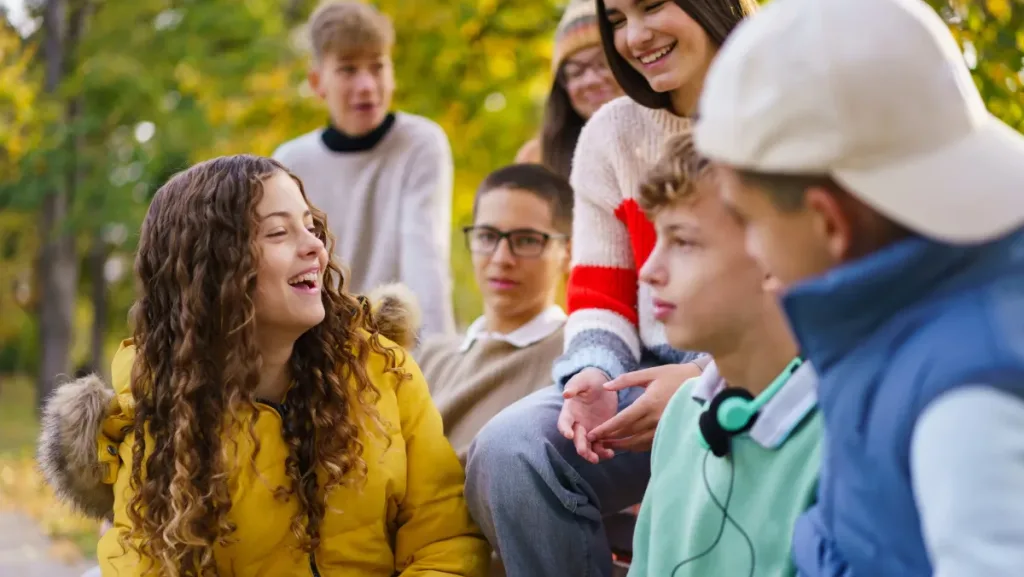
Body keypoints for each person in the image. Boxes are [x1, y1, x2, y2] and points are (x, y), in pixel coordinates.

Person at [38, 155, 489, 576]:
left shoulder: (383, 370)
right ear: (214, 269)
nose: (315, 247)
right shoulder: (153, 410)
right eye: (279, 233)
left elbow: (444, 541)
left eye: (311, 226)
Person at [693, 0, 1024, 575]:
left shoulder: (968, 406)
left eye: (747, 220)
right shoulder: (907, 317)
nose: (750, 250)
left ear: (828, 222)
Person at [465, 2, 758, 576]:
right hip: (641, 373)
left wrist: (705, 376)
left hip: (773, 370)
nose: (635, 37)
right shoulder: (611, 134)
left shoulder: (793, 109)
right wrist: (591, 376)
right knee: (510, 450)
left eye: (651, 7)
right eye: (618, 18)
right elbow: (600, 297)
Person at [628, 132, 820, 577]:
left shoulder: (845, 435)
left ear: (774, 257)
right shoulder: (681, 413)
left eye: (684, 242)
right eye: (657, 239)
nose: (649, 270)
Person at [274, 0, 456, 337]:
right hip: (321, 343)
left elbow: (425, 255)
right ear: (317, 82)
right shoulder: (291, 162)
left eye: (377, 67)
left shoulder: (420, 142)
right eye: (348, 69)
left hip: (402, 340)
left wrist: (438, 352)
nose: (367, 86)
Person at [417, 164, 573, 463]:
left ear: (567, 252)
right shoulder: (427, 357)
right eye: (487, 236)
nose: (502, 258)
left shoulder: (576, 358)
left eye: (526, 240)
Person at [515, 0, 623, 178]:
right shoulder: (535, 159)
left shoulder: (673, 134)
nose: (590, 80)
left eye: (603, 64)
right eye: (575, 72)